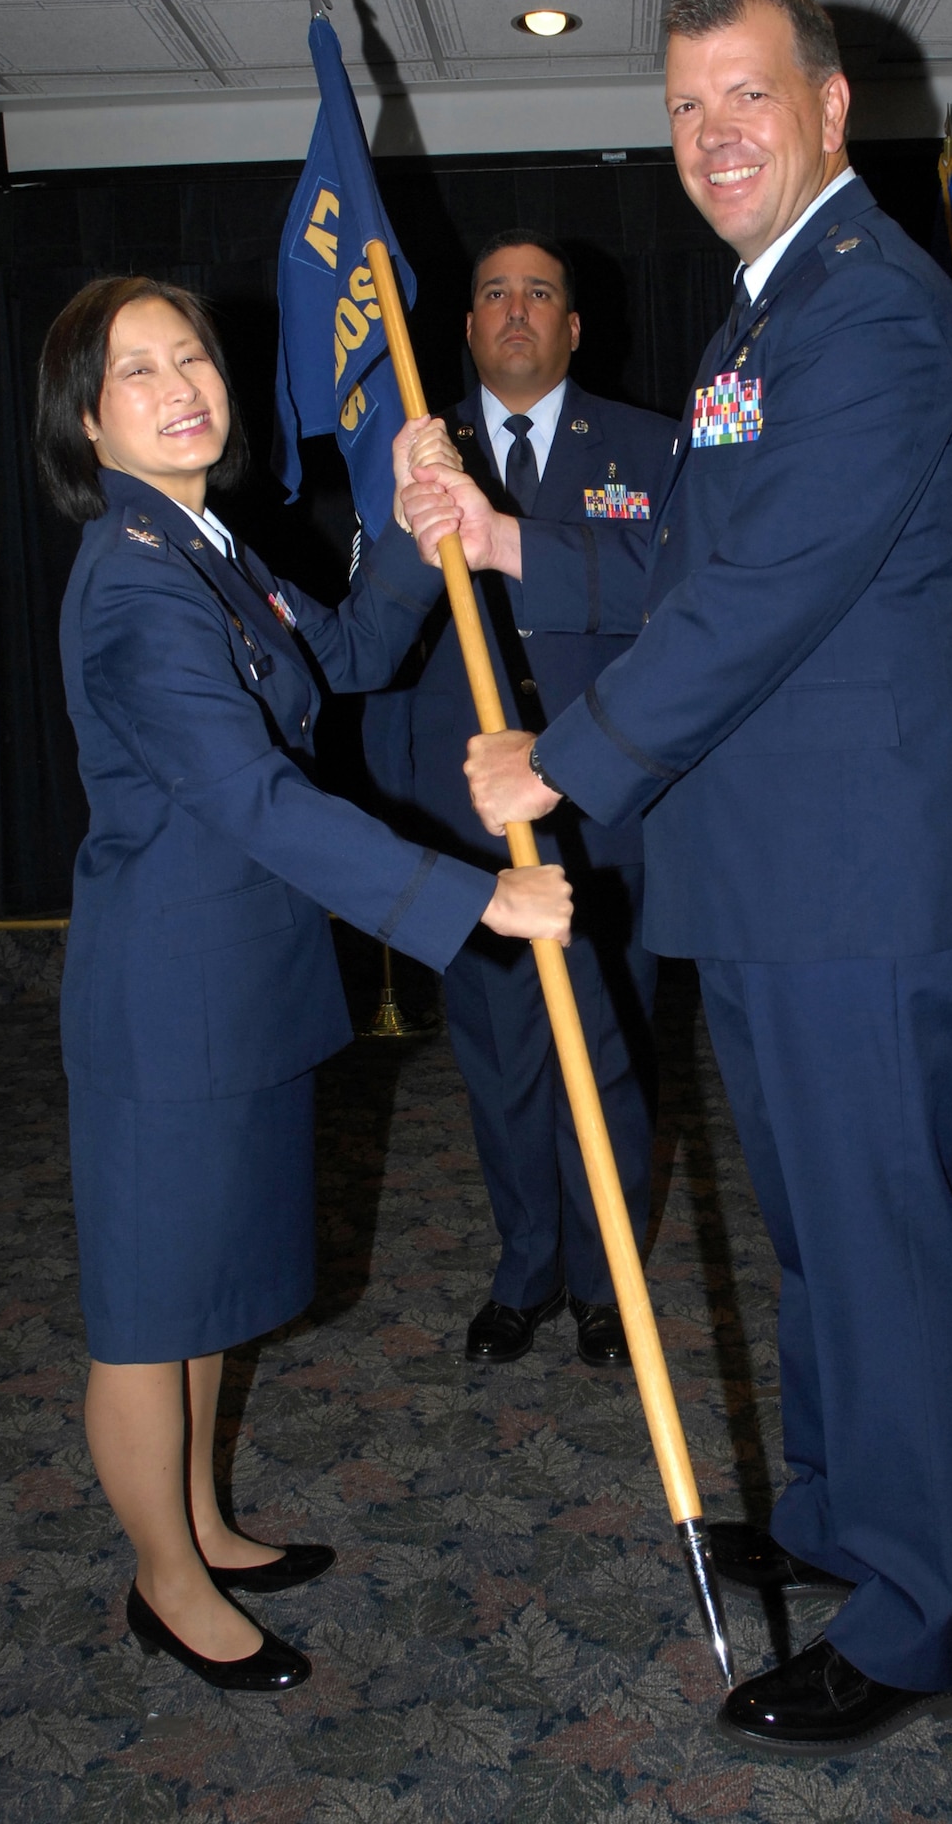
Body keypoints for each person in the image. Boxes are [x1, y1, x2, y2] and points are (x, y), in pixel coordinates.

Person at [452, 0, 952, 1756]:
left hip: (854, 885)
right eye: (686, 108)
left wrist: (559, 761)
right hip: (773, 884)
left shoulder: (870, 321)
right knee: (815, 1244)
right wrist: (505, 538)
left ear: (831, 109)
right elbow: (682, 552)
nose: (713, 138)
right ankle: (852, 1525)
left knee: (882, 1248)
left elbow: (757, 604)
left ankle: (925, 1620)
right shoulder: (753, 327)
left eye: (745, 99)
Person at [37, 276, 572, 1695]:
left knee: (208, 1291)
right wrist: (476, 901)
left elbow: (344, 653)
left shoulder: (205, 542)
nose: (181, 385)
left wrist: (410, 512)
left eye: (192, 356)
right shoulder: (137, 584)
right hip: (170, 1005)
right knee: (151, 1315)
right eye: (136, 372)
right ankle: (164, 1583)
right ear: (88, 423)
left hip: (240, 983)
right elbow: (258, 802)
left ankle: (202, 1523)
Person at [358, 231, 675, 1369]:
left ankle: (603, 1281)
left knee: (608, 1052)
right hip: (472, 821)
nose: (514, 309)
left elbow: (679, 613)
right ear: (463, 324)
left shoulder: (646, 445)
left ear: (573, 326)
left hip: (603, 807)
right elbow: (373, 633)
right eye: (491, 291)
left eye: (539, 292)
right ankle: (524, 1269)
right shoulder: (410, 455)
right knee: (499, 1060)